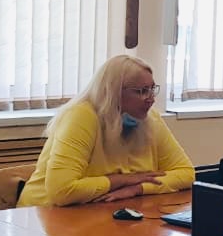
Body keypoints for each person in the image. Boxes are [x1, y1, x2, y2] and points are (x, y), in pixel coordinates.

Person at [17, 55, 195, 207]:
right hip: (44, 214)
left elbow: (186, 173)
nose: (151, 99)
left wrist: (138, 188)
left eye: (152, 89)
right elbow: (61, 191)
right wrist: (124, 180)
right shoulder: (81, 116)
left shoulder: (150, 118)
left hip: (99, 210)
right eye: (141, 91)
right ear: (113, 92)